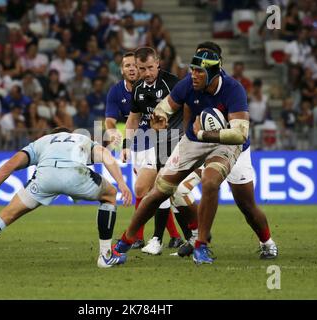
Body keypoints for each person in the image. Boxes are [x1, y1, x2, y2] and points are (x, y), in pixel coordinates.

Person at [115, 42, 277, 265]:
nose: (194, 75)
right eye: (192, 69)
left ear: (213, 72)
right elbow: (165, 106)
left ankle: (267, 242)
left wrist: (203, 134)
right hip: (194, 140)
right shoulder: (187, 85)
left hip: (229, 144)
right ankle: (126, 242)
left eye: (199, 71)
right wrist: (159, 117)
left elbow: (239, 133)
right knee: (162, 189)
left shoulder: (233, 88)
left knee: (243, 203)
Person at [0, 127, 132, 270]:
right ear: (68, 133)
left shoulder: (42, 142)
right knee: (110, 195)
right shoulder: (81, 137)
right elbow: (106, 155)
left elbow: (9, 165)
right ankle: (105, 256)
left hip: (45, 177)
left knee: (5, 216)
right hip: (75, 174)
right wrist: (122, 184)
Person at [105, 51, 187, 252]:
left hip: (174, 143)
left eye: (150, 67)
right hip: (151, 143)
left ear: (158, 64)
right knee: (143, 189)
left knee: (166, 189)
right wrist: (125, 144)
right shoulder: (138, 89)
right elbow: (133, 119)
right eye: (142, 68)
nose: (146, 72)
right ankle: (184, 237)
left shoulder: (172, 83)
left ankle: (159, 239)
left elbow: (188, 108)